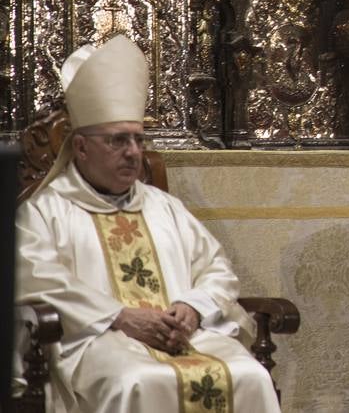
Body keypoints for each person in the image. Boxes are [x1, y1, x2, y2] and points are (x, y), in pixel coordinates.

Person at [15, 34, 282, 413]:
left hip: (184, 336)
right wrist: (119, 316)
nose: (134, 154)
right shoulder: (45, 212)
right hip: (98, 340)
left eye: (139, 140)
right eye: (118, 141)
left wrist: (192, 308)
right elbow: (34, 282)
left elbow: (216, 270)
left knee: (250, 374)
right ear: (81, 148)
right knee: (138, 381)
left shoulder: (164, 208)